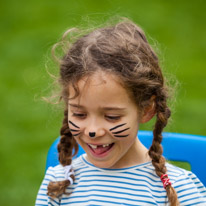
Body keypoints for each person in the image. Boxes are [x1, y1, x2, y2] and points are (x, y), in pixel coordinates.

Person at [35, 18, 206, 206]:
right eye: (79, 114)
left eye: (111, 117)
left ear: (147, 110)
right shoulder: (59, 183)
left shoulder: (178, 189)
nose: (93, 130)